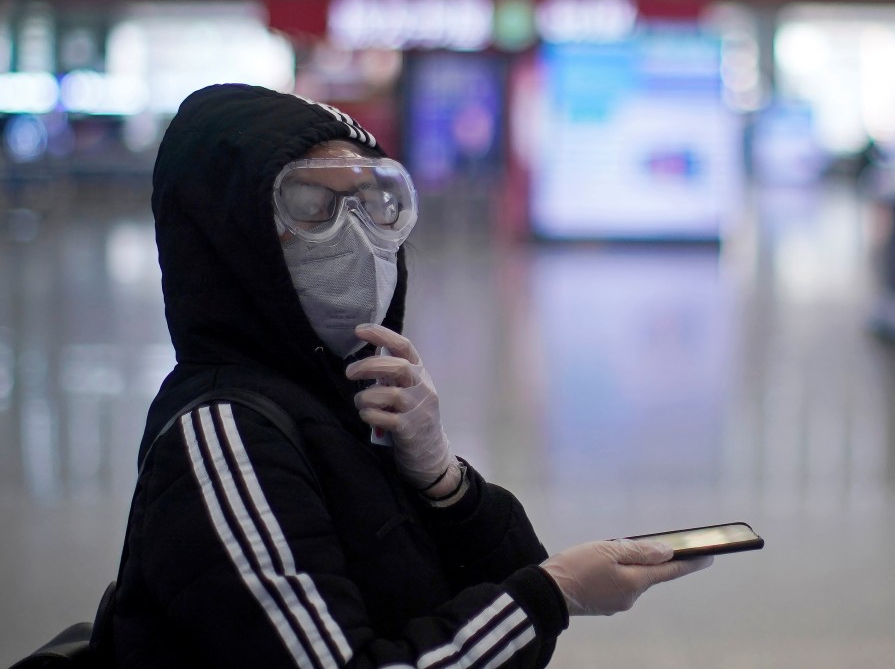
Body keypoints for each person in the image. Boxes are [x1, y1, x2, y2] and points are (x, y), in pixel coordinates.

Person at [110, 83, 712, 668]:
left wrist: (441, 480)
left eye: (374, 203)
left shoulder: (345, 396)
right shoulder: (225, 438)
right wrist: (552, 594)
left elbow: (494, 590)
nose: (358, 236)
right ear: (230, 233)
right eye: (314, 206)